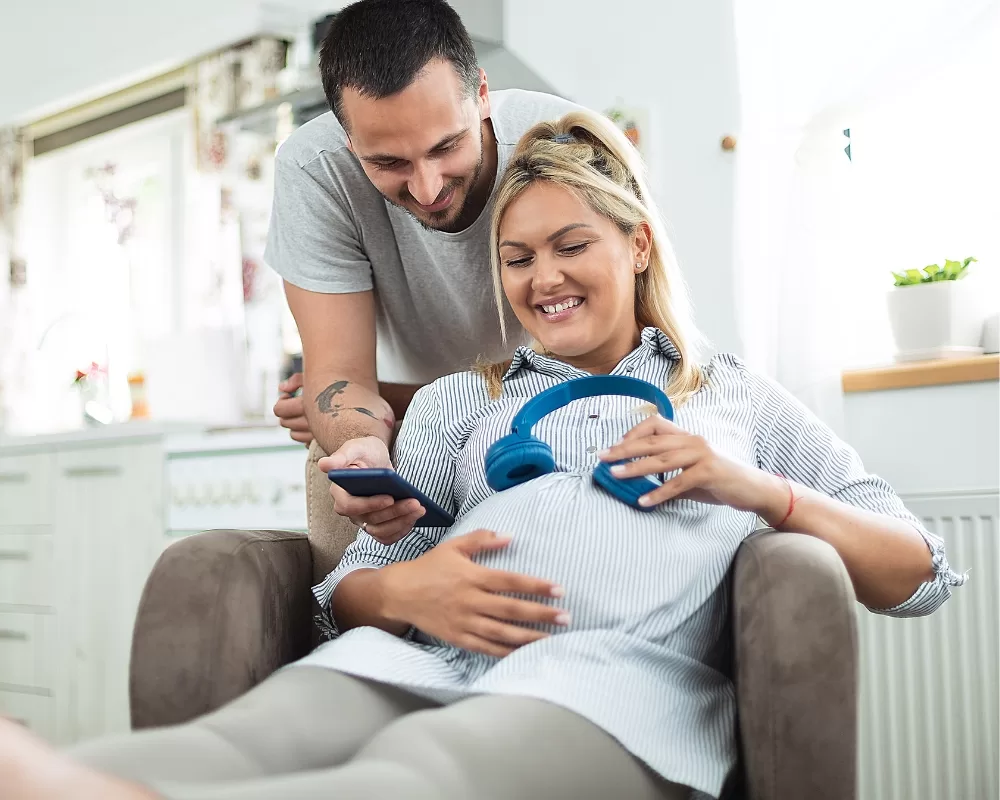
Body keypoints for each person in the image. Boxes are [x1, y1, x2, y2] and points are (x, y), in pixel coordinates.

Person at [0, 109, 965, 800]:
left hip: (604, 683)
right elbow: (351, 586)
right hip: (417, 661)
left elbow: (920, 573)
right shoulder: (466, 399)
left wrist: (761, 493)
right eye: (517, 257)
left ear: (635, 244)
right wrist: (406, 595)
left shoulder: (729, 394)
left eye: (570, 244)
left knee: (424, 775)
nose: (543, 278)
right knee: (239, 740)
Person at [267, 0, 574, 467]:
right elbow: (339, 377)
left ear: (482, 95)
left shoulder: (564, 144)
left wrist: (398, 400)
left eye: (446, 146)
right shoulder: (314, 170)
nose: (427, 189)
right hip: (421, 440)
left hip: (565, 425)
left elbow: (608, 365)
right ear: (348, 140)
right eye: (388, 162)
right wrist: (361, 444)